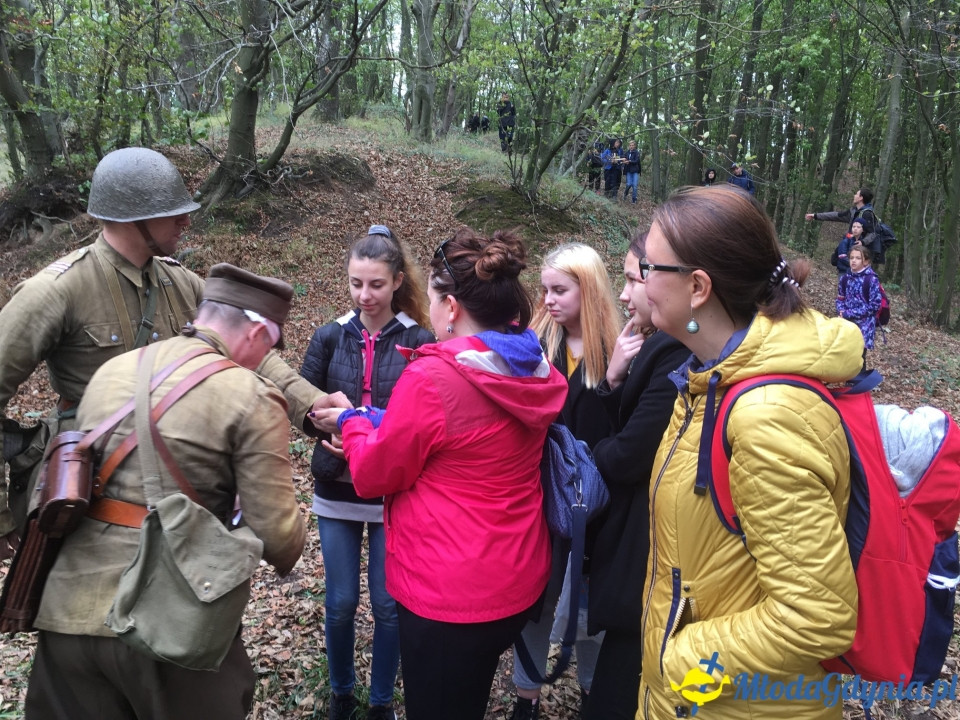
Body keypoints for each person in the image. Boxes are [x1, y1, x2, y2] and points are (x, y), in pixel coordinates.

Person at [0, 147, 342, 561]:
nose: (186, 220)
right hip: (93, 496)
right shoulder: (57, 291)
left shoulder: (181, 284)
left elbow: (255, 352)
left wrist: (313, 406)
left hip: (179, 488)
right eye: (172, 211)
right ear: (133, 217)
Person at [25, 264, 308, 720]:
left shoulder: (113, 370)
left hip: (68, 615)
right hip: (168, 623)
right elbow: (279, 539)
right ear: (257, 333)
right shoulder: (249, 394)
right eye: (270, 347)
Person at [638, 186, 861, 719]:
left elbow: (819, 613)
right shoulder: (708, 383)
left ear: (697, 287)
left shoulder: (765, 415)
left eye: (649, 266)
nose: (639, 280)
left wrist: (680, 658)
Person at [338, 228, 568, 720]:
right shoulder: (532, 366)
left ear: (452, 308)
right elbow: (464, 441)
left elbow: (376, 473)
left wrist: (353, 422)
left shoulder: (435, 377)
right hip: (516, 578)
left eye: (436, 299)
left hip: (449, 591)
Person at [300, 225, 434, 720]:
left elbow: (425, 415)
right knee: (339, 602)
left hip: (392, 494)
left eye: (376, 284)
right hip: (337, 483)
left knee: (387, 606)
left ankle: (380, 703)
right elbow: (300, 400)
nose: (365, 295)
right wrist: (322, 431)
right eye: (357, 283)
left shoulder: (418, 340)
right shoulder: (331, 335)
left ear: (397, 281)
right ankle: (341, 694)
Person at [509, 243, 621, 720]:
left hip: (598, 506)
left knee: (592, 608)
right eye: (545, 290)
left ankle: (593, 696)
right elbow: (546, 415)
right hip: (540, 495)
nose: (549, 300)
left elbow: (614, 429)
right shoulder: (538, 343)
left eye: (560, 290)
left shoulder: (617, 348)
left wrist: (611, 381)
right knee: (538, 601)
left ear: (588, 289)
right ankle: (525, 699)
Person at [581, 231, 688, 720]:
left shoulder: (675, 354)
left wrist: (594, 452)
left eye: (633, 278)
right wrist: (611, 382)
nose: (624, 294)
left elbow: (626, 454)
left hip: (649, 558)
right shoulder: (651, 347)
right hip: (636, 554)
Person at [806, 187, 879, 260]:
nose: (854, 196)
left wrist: (862, 242)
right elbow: (836, 215)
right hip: (849, 246)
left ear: (861, 198)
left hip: (860, 252)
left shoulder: (868, 214)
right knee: (835, 260)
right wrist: (816, 216)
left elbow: (872, 233)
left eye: (856, 194)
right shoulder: (853, 211)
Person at [837, 245, 882, 352]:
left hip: (864, 328)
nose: (854, 261)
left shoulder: (871, 280)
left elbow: (874, 306)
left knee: (859, 360)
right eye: (852, 258)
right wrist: (841, 311)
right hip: (846, 325)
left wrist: (850, 313)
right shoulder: (845, 279)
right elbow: (840, 298)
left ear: (866, 261)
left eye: (858, 258)